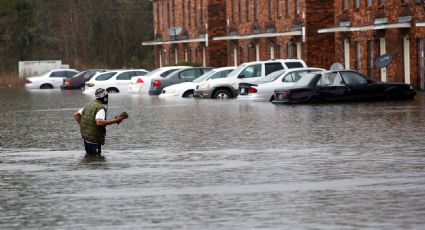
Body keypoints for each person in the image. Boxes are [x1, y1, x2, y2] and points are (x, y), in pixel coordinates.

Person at [74, 88, 125, 158]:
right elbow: (99, 122)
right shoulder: (100, 108)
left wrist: (85, 127)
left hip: (86, 138)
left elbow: (76, 115)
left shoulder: (89, 104)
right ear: (105, 97)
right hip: (94, 140)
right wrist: (116, 121)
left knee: (90, 159)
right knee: (96, 160)